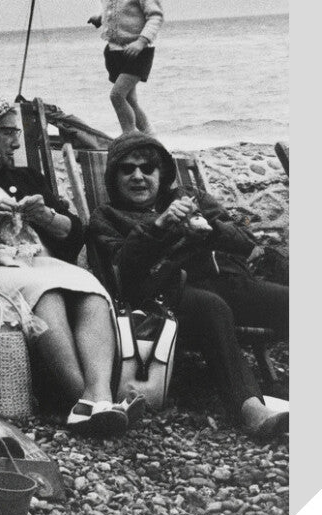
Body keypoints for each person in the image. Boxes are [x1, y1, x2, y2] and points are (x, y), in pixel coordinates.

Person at [0, 91, 136, 436]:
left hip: (37, 264)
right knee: (45, 293)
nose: (17, 141)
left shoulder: (28, 179)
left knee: (90, 288)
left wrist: (46, 216)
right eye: (7, 132)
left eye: (17, 132)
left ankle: (98, 398)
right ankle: (82, 398)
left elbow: (74, 233)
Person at [87, 132, 289, 438]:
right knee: (212, 307)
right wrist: (159, 226)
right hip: (166, 295)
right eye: (127, 169)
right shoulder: (107, 216)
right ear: (114, 178)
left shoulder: (190, 197)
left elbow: (244, 243)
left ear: (162, 173)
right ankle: (251, 409)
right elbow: (120, 272)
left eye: (147, 169)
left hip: (227, 281)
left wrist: (208, 228)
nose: (138, 177)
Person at [87, 0, 163, 135]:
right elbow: (115, 11)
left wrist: (141, 41)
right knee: (130, 99)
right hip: (114, 50)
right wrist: (100, 17)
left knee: (117, 95)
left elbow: (155, 16)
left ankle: (129, 134)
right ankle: (148, 134)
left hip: (137, 51)